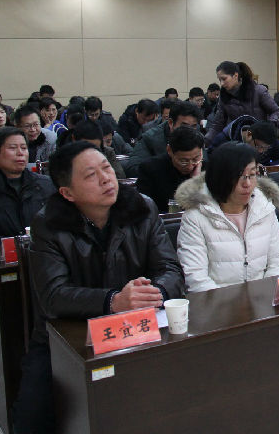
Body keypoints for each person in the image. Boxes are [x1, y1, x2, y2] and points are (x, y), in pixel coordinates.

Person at [14, 141, 183, 434]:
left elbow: (171, 270)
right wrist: (114, 301)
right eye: (91, 175)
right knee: (32, 414)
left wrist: (153, 292)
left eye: (107, 168)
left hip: (139, 322)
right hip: (70, 333)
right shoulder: (48, 224)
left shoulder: (141, 207)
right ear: (67, 193)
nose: (106, 179)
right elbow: (52, 296)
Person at [175, 142, 279, 292]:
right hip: (217, 303)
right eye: (239, 176)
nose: (247, 184)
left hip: (263, 299)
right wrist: (233, 304)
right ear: (220, 178)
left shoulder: (265, 208)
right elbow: (196, 279)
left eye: (252, 175)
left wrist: (266, 295)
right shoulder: (195, 217)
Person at [205, 61, 279, 144]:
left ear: (235, 76)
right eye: (220, 80)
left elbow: (275, 111)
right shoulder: (223, 97)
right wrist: (205, 141)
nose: (221, 84)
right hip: (238, 142)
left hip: (262, 140)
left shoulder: (258, 91)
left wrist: (267, 127)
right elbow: (218, 124)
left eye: (224, 79)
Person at [137, 127, 204, 212]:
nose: (190, 167)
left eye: (195, 159)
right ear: (169, 150)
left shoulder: (207, 168)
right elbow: (144, 209)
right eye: (183, 161)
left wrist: (196, 180)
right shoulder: (150, 169)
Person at [124, 101, 200, 176]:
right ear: (171, 123)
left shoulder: (196, 135)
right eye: (184, 126)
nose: (189, 131)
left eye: (193, 126)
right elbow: (132, 169)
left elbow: (204, 163)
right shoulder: (150, 138)